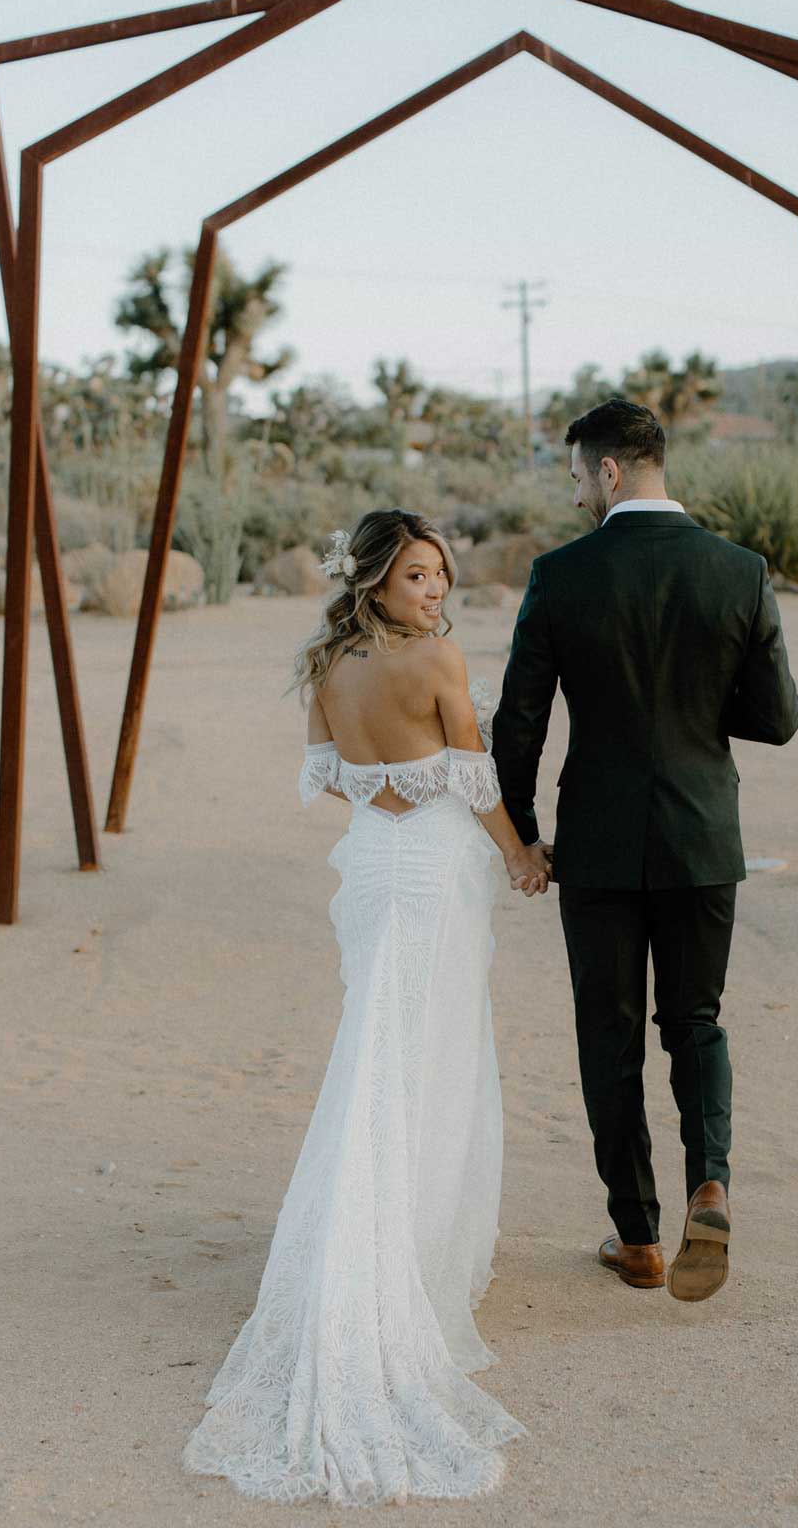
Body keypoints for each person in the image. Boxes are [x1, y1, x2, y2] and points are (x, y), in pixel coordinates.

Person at [181, 509, 546, 1506]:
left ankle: (379, 1238)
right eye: (419, 575)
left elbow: (328, 777)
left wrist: (387, 795)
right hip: (432, 865)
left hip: (374, 867)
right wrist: (515, 851)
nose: (435, 591)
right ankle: (401, 1262)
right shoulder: (436, 661)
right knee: (424, 1057)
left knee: (375, 1050)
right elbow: (472, 776)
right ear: (378, 579)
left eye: (441, 575)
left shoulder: (325, 666)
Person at [492, 399, 798, 1303]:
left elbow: (521, 721)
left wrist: (522, 832)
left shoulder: (560, 575)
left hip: (595, 841)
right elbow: (777, 719)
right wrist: (700, 714)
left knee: (609, 1033)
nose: (577, 491)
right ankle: (710, 1178)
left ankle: (636, 1239)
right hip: (703, 833)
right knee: (695, 1021)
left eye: (579, 475)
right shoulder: (738, 571)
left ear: (611, 472)